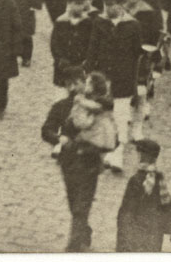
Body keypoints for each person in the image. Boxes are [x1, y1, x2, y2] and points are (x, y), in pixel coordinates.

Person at [87, 0, 143, 172]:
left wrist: (135, 82)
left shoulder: (133, 25)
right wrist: (90, 74)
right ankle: (105, 150)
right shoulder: (99, 23)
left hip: (123, 79)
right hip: (103, 78)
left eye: (112, 5)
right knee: (104, 115)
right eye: (105, 5)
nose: (108, 9)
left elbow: (137, 54)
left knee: (121, 116)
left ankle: (118, 153)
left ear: (121, 5)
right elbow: (92, 50)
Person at [57, 90, 117, 250]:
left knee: (80, 206)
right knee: (73, 201)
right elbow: (57, 128)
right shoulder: (75, 109)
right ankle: (83, 230)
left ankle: (74, 244)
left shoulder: (105, 121)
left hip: (89, 167)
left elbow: (111, 143)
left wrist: (88, 148)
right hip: (69, 164)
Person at [116, 138, 169, 252]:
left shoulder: (136, 180)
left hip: (136, 232)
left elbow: (127, 210)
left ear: (142, 156)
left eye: (137, 154)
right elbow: (165, 206)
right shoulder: (159, 177)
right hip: (154, 233)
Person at [50, 0, 94, 95]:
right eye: (76, 4)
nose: (79, 7)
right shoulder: (61, 22)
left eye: (81, 4)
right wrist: (60, 59)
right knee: (61, 94)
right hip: (63, 66)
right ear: (69, 4)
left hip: (80, 65)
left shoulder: (87, 22)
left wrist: (86, 60)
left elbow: (91, 43)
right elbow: (55, 44)